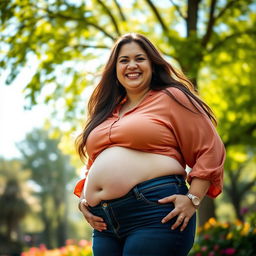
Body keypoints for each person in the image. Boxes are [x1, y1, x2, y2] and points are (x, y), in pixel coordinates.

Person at [74, 33, 225, 256]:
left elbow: (210, 147)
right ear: (115, 69)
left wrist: (193, 199)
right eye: (124, 60)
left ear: (152, 65)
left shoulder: (171, 97)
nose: (131, 65)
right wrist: (85, 200)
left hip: (154, 211)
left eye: (140, 58)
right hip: (105, 224)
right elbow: (95, 162)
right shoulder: (106, 110)